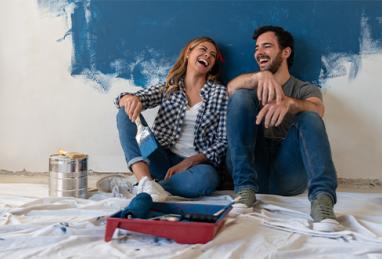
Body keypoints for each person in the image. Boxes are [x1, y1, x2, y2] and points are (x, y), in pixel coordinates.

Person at [226, 25, 342, 231]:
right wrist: (258, 78)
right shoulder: (250, 82)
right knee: (240, 96)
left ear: (285, 52)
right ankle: (244, 191)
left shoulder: (305, 88)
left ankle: (322, 202)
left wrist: (290, 103)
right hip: (253, 166)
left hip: (288, 172)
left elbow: (318, 109)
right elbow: (231, 88)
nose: (259, 52)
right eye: (256, 48)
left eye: (267, 46)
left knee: (310, 115)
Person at [99, 37, 228, 202]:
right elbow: (129, 99)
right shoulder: (169, 87)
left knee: (207, 179)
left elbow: (222, 143)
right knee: (126, 113)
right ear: (189, 53)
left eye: (212, 55)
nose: (208, 55)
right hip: (157, 156)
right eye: (203, 49)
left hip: (194, 168)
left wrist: (189, 162)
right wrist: (128, 100)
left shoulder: (220, 94)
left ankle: (144, 185)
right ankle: (145, 181)